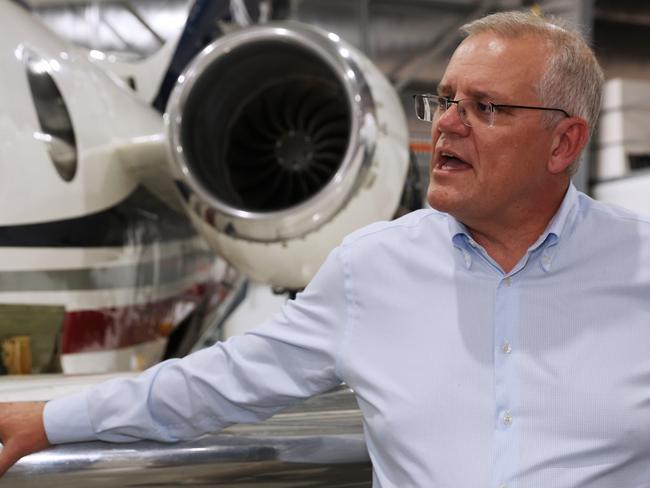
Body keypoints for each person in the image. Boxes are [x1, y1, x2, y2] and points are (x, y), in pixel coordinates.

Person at [2, 10, 650, 487]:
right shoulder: (370, 269)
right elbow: (219, 382)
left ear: (564, 143)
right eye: (445, 100)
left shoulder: (638, 266)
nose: (446, 124)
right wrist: (50, 420)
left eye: (485, 108)